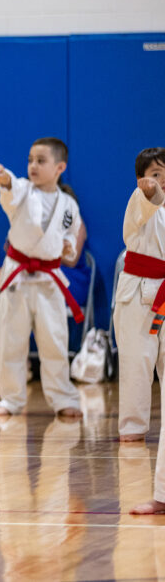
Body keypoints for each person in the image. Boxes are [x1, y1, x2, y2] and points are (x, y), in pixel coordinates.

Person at [0, 137, 83, 419]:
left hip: (49, 279)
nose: (33, 166)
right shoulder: (23, 191)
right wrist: (3, 176)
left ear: (60, 167)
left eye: (41, 161)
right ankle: (11, 399)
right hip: (17, 277)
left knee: (54, 341)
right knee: (9, 342)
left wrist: (69, 247)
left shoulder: (68, 205)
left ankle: (63, 398)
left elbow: (70, 238)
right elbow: (9, 188)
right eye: (30, 160)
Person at [114, 148, 165, 448]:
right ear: (140, 179)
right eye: (156, 174)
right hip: (138, 291)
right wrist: (150, 191)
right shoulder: (139, 201)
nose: (162, 181)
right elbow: (150, 198)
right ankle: (132, 426)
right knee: (137, 359)